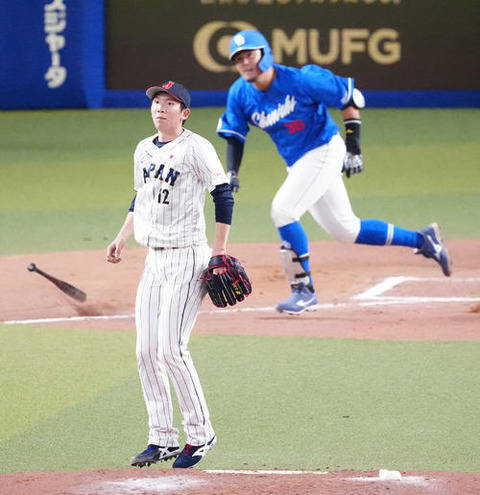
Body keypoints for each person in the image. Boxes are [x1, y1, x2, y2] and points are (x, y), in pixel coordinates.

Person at [216, 30, 452, 315]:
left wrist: (354, 148)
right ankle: (423, 239)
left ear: (266, 53)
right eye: (238, 58)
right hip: (298, 162)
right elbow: (234, 135)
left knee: (283, 210)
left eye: (250, 55)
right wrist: (232, 172)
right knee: (346, 230)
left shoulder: (302, 79)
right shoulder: (240, 93)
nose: (245, 63)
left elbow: (349, 97)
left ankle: (303, 290)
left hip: (324, 150)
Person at [107, 81, 234, 468]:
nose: (160, 108)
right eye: (156, 102)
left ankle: (201, 433)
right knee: (145, 351)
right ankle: (161, 438)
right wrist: (122, 236)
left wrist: (219, 251)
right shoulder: (143, 148)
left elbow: (223, 194)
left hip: (187, 258)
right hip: (154, 260)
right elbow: (141, 196)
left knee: (171, 349)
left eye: (170, 103)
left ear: (185, 113)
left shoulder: (197, 148)